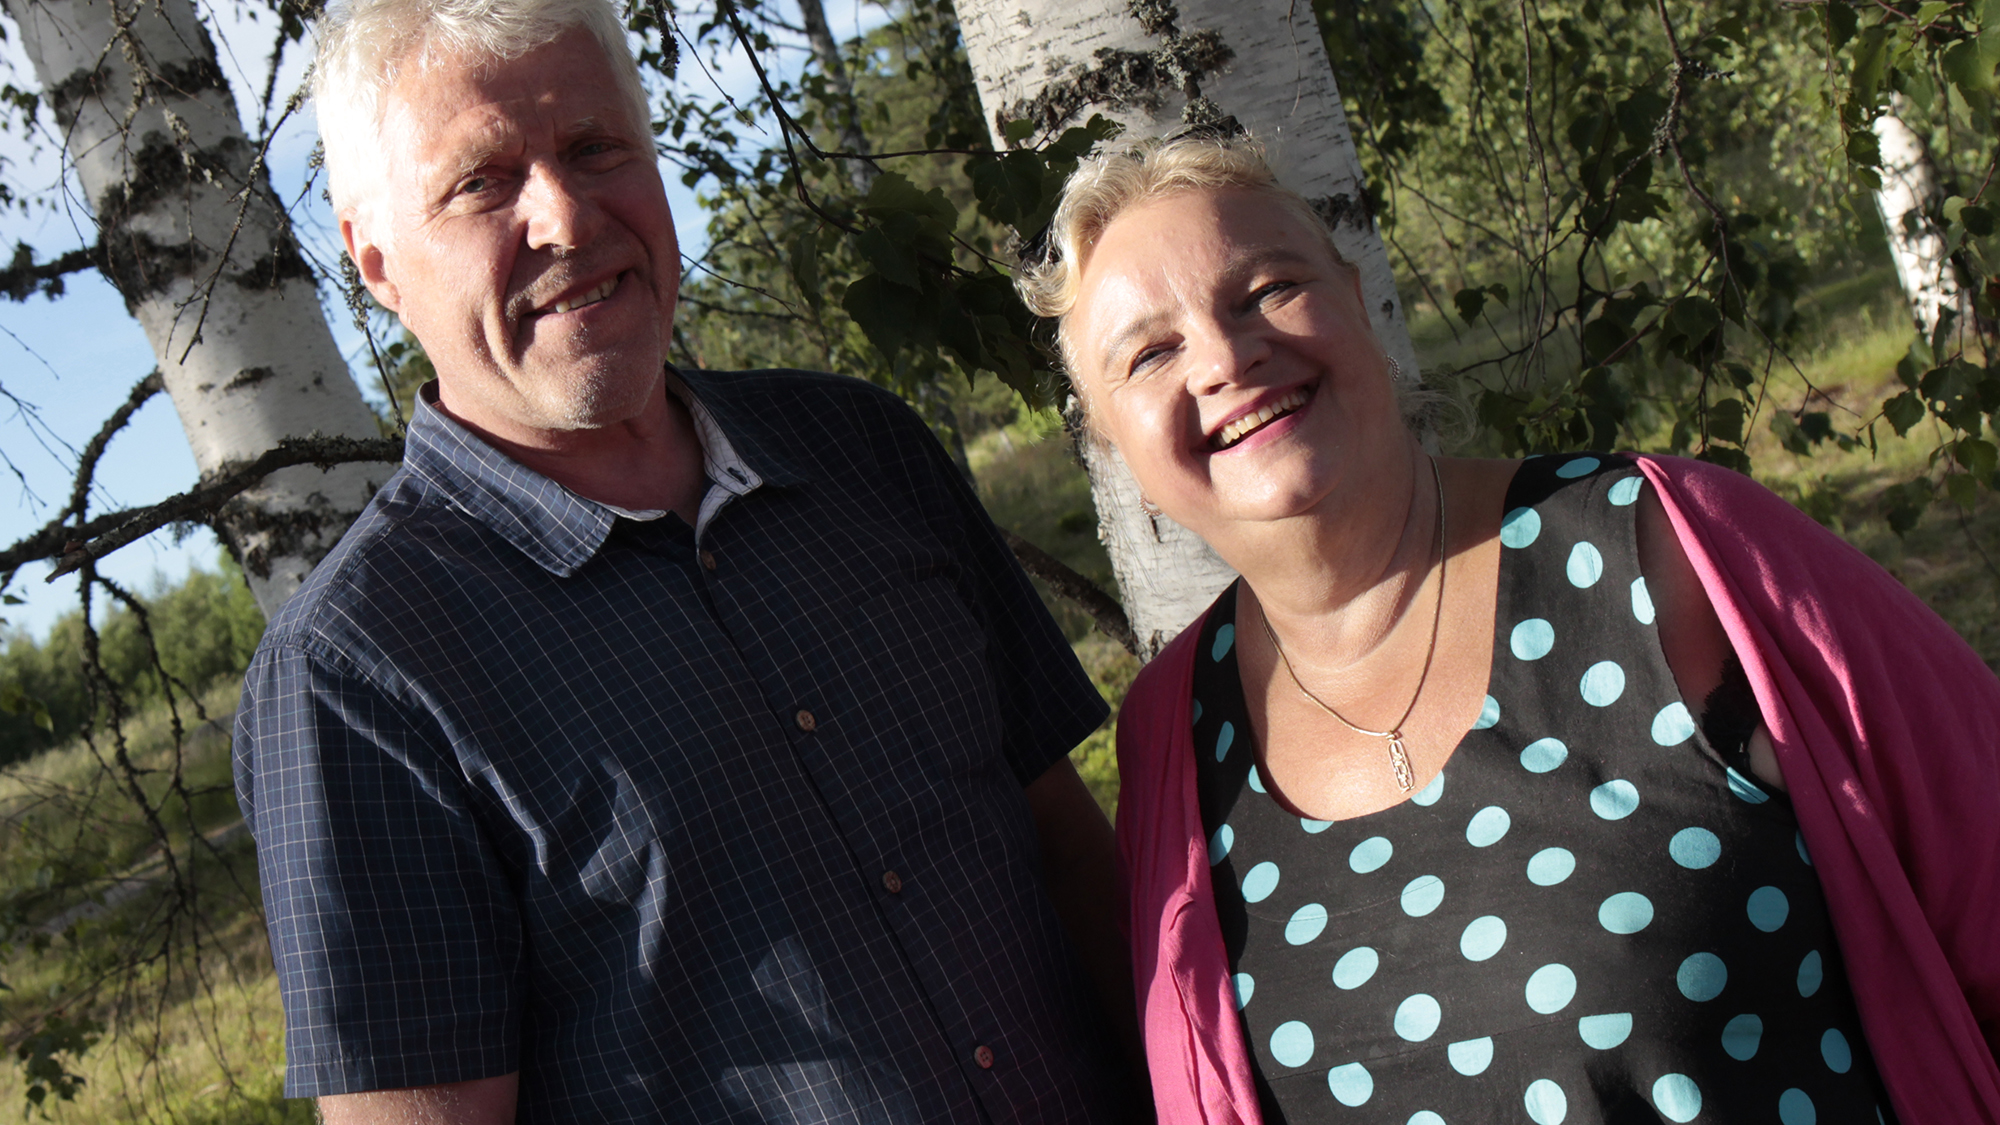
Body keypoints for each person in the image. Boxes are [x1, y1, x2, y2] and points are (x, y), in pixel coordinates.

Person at [231, 0, 1143, 1120]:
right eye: (481, 182)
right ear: (375, 262)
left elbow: (1072, 856)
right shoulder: (357, 673)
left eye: (594, 147)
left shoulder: (860, 449)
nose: (566, 216)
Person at [1016, 132, 2000, 1124]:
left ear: (1355, 298)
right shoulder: (1173, 734)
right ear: (1112, 445)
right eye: (1151, 352)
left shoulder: (1670, 551)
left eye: (1267, 290)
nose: (1227, 358)